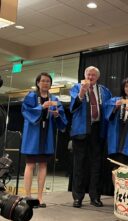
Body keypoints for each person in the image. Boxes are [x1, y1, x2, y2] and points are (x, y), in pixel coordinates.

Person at [21, 72, 67, 208]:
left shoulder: (55, 99)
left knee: (43, 165)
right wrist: (41, 107)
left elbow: (62, 119)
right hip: (33, 135)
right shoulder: (31, 96)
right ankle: (28, 197)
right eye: (43, 81)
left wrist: (57, 114)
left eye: (48, 81)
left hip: (47, 135)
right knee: (29, 165)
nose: (46, 83)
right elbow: (25, 111)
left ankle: (40, 197)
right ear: (38, 83)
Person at [69, 66, 112, 208]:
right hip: (81, 130)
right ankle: (78, 197)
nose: (91, 77)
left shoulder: (104, 91)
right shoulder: (76, 87)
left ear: (97, 77)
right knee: (79, 164)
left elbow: (109, 108)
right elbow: (72, 108)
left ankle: (95, 196)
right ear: (84, 75)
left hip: (97, 130)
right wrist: (82, 92)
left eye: (93, 75)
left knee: (96, 165)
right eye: (88, 74)